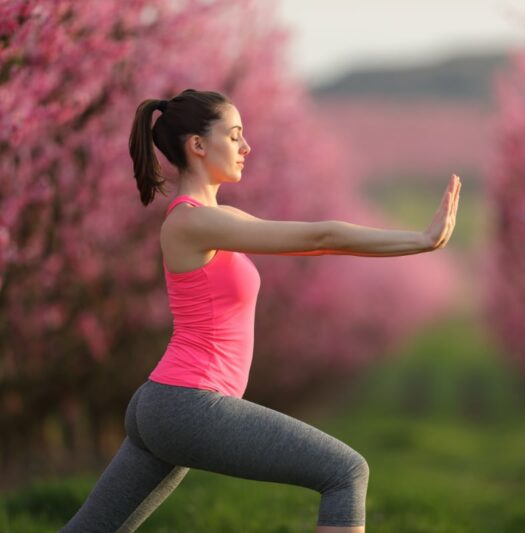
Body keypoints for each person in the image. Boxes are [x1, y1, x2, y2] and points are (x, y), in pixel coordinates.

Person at [60, 88, 460, 532]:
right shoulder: (193, 221)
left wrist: (416, 243)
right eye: (234, 136)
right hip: (186, 401)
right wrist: (420, 240)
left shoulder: (216, 220)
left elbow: (318, 247)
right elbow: (320, 237)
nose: (246, 147)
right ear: (197, 145)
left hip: (169, 401)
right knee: (345, 472)